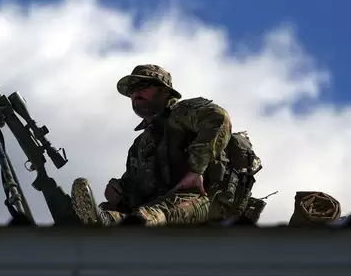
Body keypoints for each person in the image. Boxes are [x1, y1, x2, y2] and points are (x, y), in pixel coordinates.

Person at [70, 64, 241, 226]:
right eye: (131, 90)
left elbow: (218, 118)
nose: (135, 93)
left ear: (165, 92)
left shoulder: (182, 114)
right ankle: (102, 221)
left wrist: (196, 169)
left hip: (207, 198)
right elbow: (138, 183)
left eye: (143, 86)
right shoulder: (140, 145)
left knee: (155, 214)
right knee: (117, 212)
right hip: (159, 207)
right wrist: (121, 189)